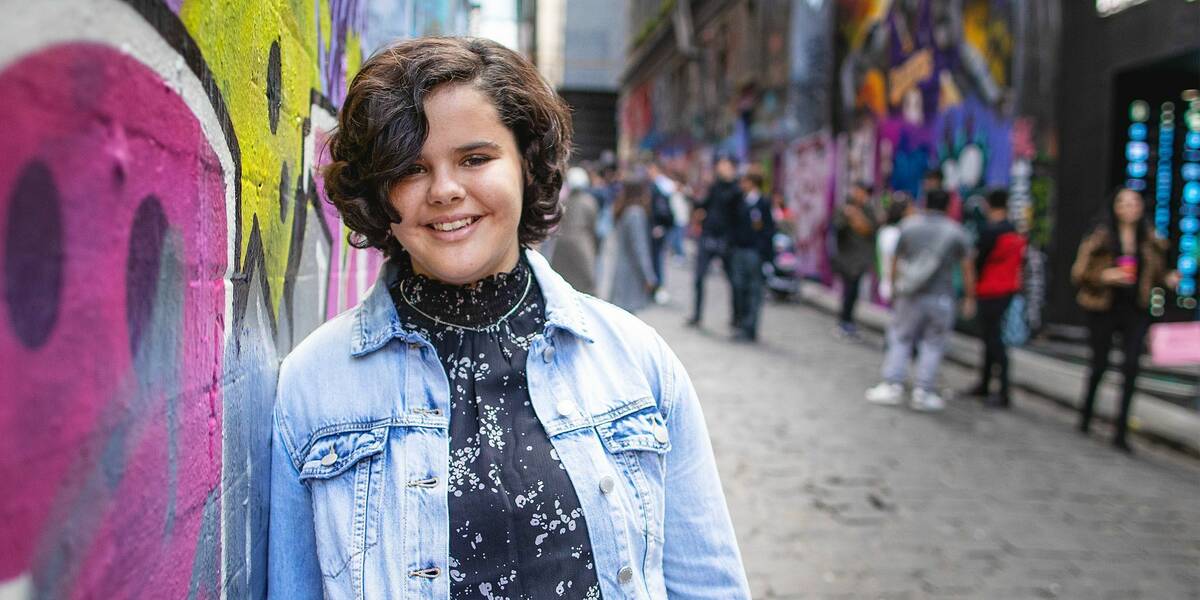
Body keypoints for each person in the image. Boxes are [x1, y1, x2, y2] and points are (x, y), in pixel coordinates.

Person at [270, 37, 750, 599]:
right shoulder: (313, 386)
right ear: (378, 194)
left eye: (475, 158)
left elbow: (708, 587)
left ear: (526, 163)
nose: (446, 190)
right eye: (411, 168)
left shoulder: (637, 363)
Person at [1071, 187, 1178, 452]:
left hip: (1135, 308)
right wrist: (1105, 276)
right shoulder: (1101, 236)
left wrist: (1168, 279)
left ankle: (1120, 430)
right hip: (1104, 306)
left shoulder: (1149, 239)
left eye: (1135, 203)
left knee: (1131, 366)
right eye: (1124, 203)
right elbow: (1080, 272)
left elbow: (1158, 273)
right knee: (1100, 364)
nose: (1130, 208)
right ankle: (1086, 415)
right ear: (1115, 207)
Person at [865, 190, 975, 411]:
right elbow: (966, 267)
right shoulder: (956, 232)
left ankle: (892, 384)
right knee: (933, 344)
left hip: (910, 294)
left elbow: (895, 259)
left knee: (901, 338)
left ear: (925, 202)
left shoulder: (909, 226)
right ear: (948, 206)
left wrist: (895, 286)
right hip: (942, 297)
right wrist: (970, 298)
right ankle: (923, 391)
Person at [964, 189, 1026, 408]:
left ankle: (1000, 389)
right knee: (992, 337)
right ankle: (988, 384)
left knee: (993, 339)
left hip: (990, 289)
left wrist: (970, 291)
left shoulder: (989, 231)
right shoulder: (1012, 230)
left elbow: (977, 262)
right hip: (1006, 289)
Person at [687, 156, 740, 327]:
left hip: (726, 240)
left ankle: (736, 317)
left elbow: (732, 204)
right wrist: (692, 198)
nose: (721, 168)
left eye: (725, 165)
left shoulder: (736, 189)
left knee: (733, 280)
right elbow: (704, 205)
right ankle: (697, 315)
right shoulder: (714, 187)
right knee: (699, 278)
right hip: (708, 236)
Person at [727, 172, 775, 342]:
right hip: (739, 251)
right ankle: (740, 323)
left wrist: (765, 254)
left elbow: (769, 230)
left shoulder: (763, 203)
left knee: (755, 291)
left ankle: (750, 327)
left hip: (754, 253)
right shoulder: (739, 201)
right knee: (738, 288)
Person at [831, 183, 879, 338]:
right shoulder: (844, 209)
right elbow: (837, 228)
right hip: (846, 258)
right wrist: (849, 217)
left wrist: (857, 217)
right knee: (849, 291)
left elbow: (872, 229)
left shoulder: (869, 210)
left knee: (854, 292)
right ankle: (844, 321)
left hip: (861, 259)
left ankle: (848, 320)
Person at [608, 179, 660, 313]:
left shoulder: (626, 210)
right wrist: (648, 276)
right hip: (630, 276)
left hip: (623, 272)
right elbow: (640, 247)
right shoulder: (636, 213)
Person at [548, 167, 599, 295]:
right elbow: (593, 225)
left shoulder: (564, 201)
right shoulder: (589, 201)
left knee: (562, 279)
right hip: (582, 241)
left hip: (562, 242)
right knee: (587, 282)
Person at [646, 161, 677, 303]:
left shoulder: (660, 186)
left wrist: (659, 226)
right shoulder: (657, 186)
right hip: (657, 228)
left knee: (657, 260)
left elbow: (662, 210)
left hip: (658, 229)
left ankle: (658, 288)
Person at [876, 193, 914, 304]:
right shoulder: (893, 234)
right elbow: (895, 263)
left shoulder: (888, 231)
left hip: (892, 288)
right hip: (895, 290)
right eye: (910, 208)